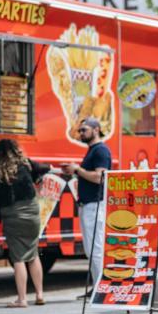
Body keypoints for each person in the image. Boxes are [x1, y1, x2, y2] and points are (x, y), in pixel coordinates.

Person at [0, 139, 50, 308]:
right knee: (33, 253)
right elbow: (46, 168)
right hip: (32, 213)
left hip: (12, 215)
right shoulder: (26, 164)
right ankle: (39, 294)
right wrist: (37, 178)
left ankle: (22, 299)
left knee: (18, 258)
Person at [62, 117, 111, 286]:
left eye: (84, 130)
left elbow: (100, 177)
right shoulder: (93, 150)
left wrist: (78, 170)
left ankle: (100, 287)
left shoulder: (100, 151)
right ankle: (98, 286)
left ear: (96, 130)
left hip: (95, 204)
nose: (81, 133)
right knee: (91, 249)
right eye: (80, 130)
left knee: (95, 249)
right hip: (89, 205)